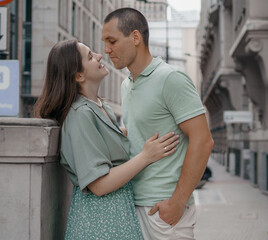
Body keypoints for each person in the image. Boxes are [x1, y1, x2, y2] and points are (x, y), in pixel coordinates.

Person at [34, 39, 179, 240]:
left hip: (116, 217)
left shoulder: (99, 107)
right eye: (90, 56)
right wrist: (146, 156)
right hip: (100, 222)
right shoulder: (80, 114)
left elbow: (106, 142)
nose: (100, 55)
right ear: (79, 75)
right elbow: (99, 185)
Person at [102, 8, 214, 239]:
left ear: (135, 37)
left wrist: (177, 202)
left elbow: (203, 140)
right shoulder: (126, 85)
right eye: (105, 42)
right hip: (132, 205)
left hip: (163, 211)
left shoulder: (170, 79)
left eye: (112, 41)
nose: (106, 50)